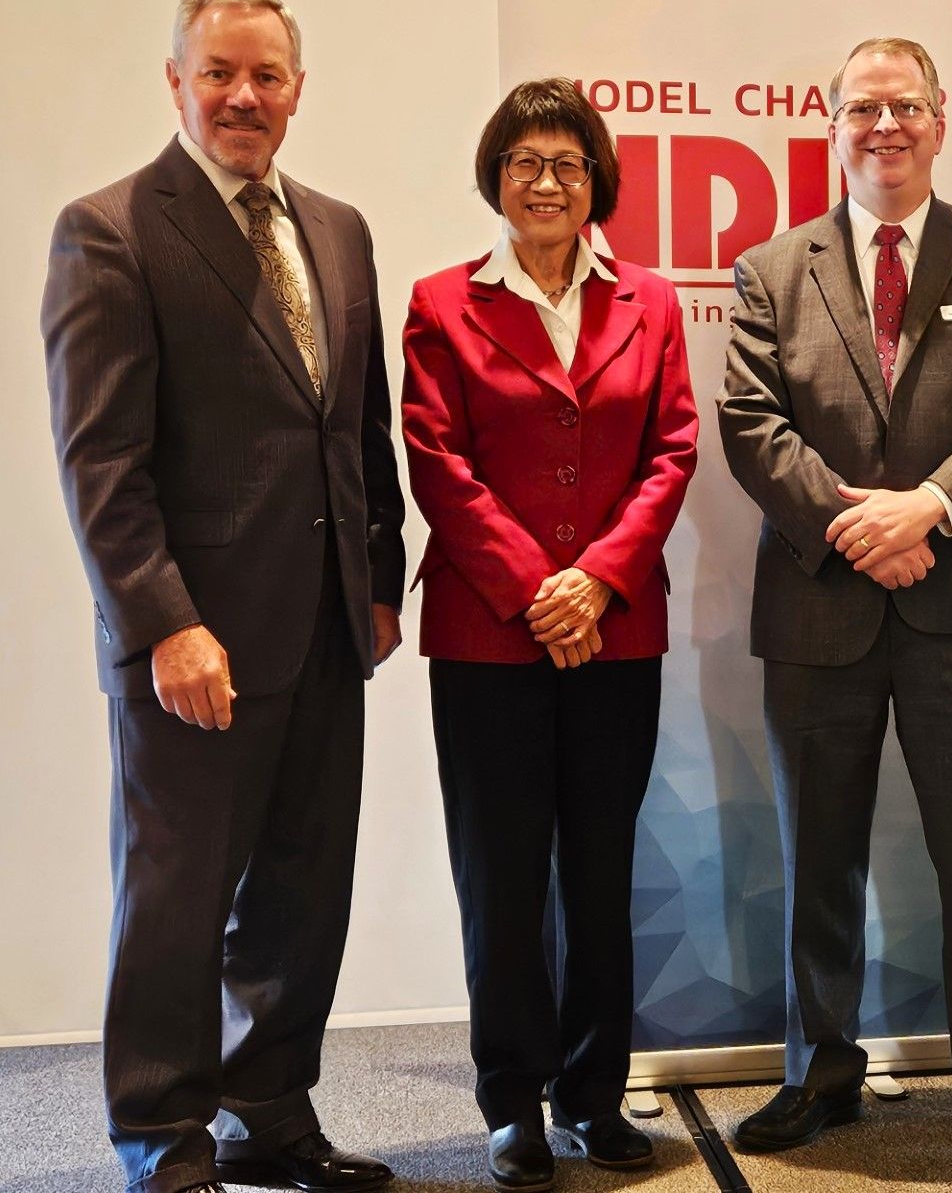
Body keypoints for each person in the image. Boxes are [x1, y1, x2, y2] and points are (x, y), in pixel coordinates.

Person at [41, 0, 406, 1193]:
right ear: (176, 82)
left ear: (298, 90)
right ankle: (162, 1133)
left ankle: (268, 1111)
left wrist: (380, 579)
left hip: (324, 628)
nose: (243, 96)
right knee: (177, 897)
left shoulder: (337, 229)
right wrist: (165, 624)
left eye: (265, 75)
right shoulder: (111, 230)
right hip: (193, 644)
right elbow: (102, 462)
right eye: (218, 73)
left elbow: (358, 425)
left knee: (302, 890)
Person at [717, 36, 952, 1155]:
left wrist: (924, 509)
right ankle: (820, 1073)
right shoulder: (772, 268)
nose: (886, 125)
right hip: (818, 604)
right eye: (863, 107)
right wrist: (858, 528)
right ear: (831, 126)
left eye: (905, 106)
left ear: (939, 119)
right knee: (817, 855)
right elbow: (750, 424)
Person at [401, 78, 698, 1192]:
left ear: (596, 183)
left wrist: (599, 582)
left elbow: (672, 451)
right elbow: (437, 461)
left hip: (617, 633)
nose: (545, 182)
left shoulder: (651, 302)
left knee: (600, 870)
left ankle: (592, 1094)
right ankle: (512, 1103)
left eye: (567, 164)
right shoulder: (442, 304)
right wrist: (539, 589)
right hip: (488, 635)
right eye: (524, 161)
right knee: (503, 877)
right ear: (496, 176)